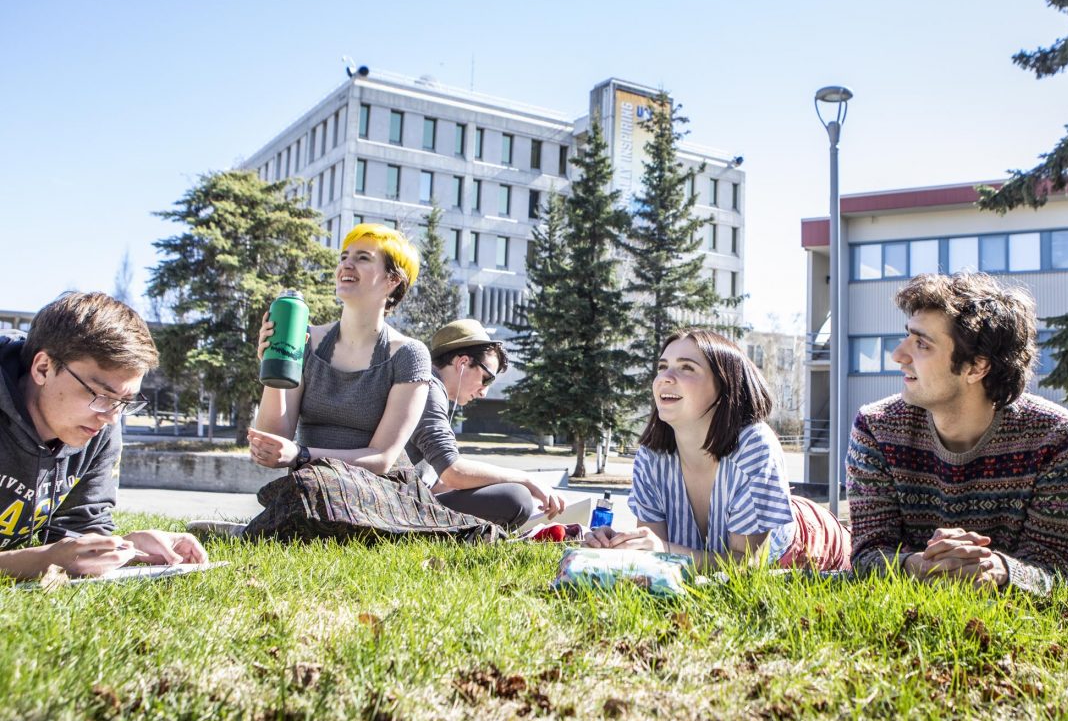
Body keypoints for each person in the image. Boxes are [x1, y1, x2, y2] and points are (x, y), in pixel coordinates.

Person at [221, 223, 493, 542]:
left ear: (393, 280)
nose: (346, 265)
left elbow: (381, 458)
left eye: (363, 258)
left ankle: (252, 533)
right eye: (344, 256)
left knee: (314, 486)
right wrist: (274, 364)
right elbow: (274, 437)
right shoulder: (306, 340)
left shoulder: (408, 355)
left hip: (380, 487)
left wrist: (301, 454)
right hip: (315, 479)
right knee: (310, 485)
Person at [847, 272, 1068, 593]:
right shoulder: (876, 427)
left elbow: (1051, 572)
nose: (898, 355)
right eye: (908, 337)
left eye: (922, 343)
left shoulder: (1055, 437)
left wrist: (996, 568)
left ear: (976, 367)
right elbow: (867, 554)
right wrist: (916, 565)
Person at [585, 328, 851, 570]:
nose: (665, 377)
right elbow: (654, 556)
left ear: (724, 386)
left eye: (686, 368)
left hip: (816, 543)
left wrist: (663, 550)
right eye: (662, 367)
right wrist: (619, 545)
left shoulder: (754, 444)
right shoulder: (650, 457)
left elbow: (747, 564)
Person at [0, 292, 206, 579]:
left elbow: (79, 531)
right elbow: (51, 555)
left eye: (124, 401)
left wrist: (128, 547)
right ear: (43, 368)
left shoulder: (100, 425)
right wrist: (41, 560)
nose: (111, 417)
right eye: (100, 394)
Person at [406, 319, 564, 529]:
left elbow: (439, 483)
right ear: (462, 363)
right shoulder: (429, 388)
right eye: (487, 378)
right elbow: (453, 472)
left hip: (409, 500)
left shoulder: (426, 386)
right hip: (402, 507)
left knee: (511, 493)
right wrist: (527, 480)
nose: (484, 392)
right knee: (516, 498)